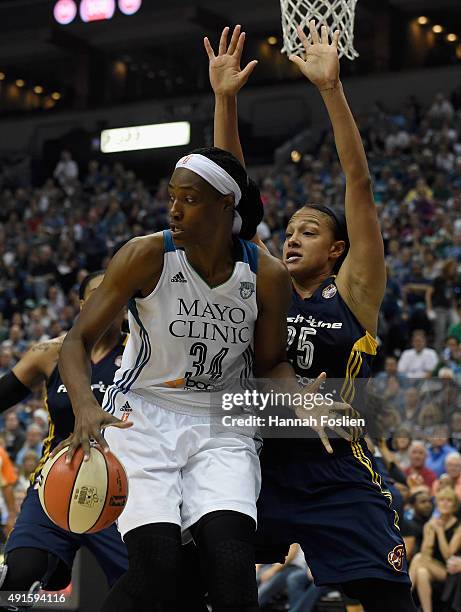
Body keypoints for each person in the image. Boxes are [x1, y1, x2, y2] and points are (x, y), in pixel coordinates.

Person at [52, 144, 341, 612]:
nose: (174, 208)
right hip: (141, 418)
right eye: (171, 196)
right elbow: (76, 341)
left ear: (226, 205)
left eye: (189, 198)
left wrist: (300, 399)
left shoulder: (264, 274)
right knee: (159, 569)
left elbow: (270, 364)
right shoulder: (146, 255)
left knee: (231, 567)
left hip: (222, 422)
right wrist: (85, 405)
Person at [206, 21, 416, 611]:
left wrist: (330, 89)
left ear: (338, 250)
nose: (293, 238)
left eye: (310, 230)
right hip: (255, 462)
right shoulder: (264, 283)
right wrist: (225, 99)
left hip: (336, 470)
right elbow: (231, 203)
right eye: (289, 230)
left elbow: (360, 183)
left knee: (388, 601)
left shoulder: (354, 293)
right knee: (198, 572)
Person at [0, 271, 129, 610]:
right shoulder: (51, 352)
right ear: (82, 304)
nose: (107, 300)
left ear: (126, 305)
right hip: (54, 489)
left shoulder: (143, 354)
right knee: (15, 584)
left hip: (121, 496)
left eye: (116, 293)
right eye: (98, 294)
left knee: (145, 592)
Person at [410, 488, 461, 612]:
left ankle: (403, 595)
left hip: (451, 570)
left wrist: (440, 532)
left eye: (448, 501)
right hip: (433, 566)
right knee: (421, 572)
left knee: (417, 558)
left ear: (454, 505)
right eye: (441, 500)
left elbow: (448, 556)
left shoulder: (458, 526)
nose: (444, 503)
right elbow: (426, 553)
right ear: (437, 503)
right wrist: (430, 533)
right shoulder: (431, 523)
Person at [401, 491, 434, 561]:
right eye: (423, 502)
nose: (428, 505)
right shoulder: (409, 526)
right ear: (413, 505)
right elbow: (411, 553)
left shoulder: (435, 522)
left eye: (430, 501)